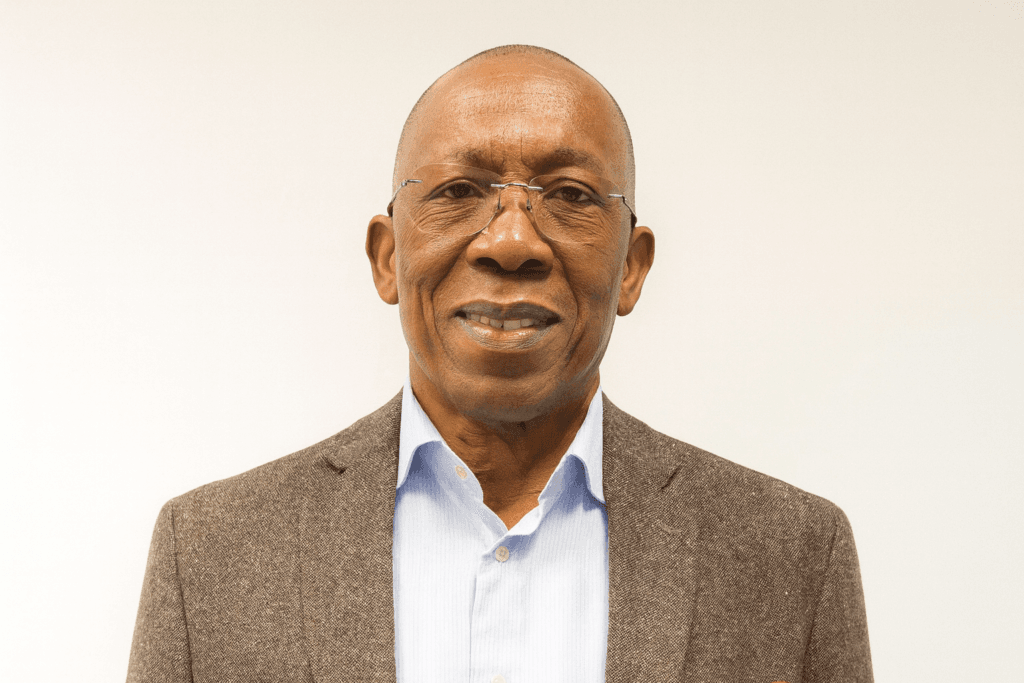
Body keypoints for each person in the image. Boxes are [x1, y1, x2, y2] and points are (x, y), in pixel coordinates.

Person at [127, 45, 872, 683]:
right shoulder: (211, 554)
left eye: (570, 195)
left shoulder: (791, 557)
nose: (511, 242)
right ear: (387, 258)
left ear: (632, 268)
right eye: (458, 191)